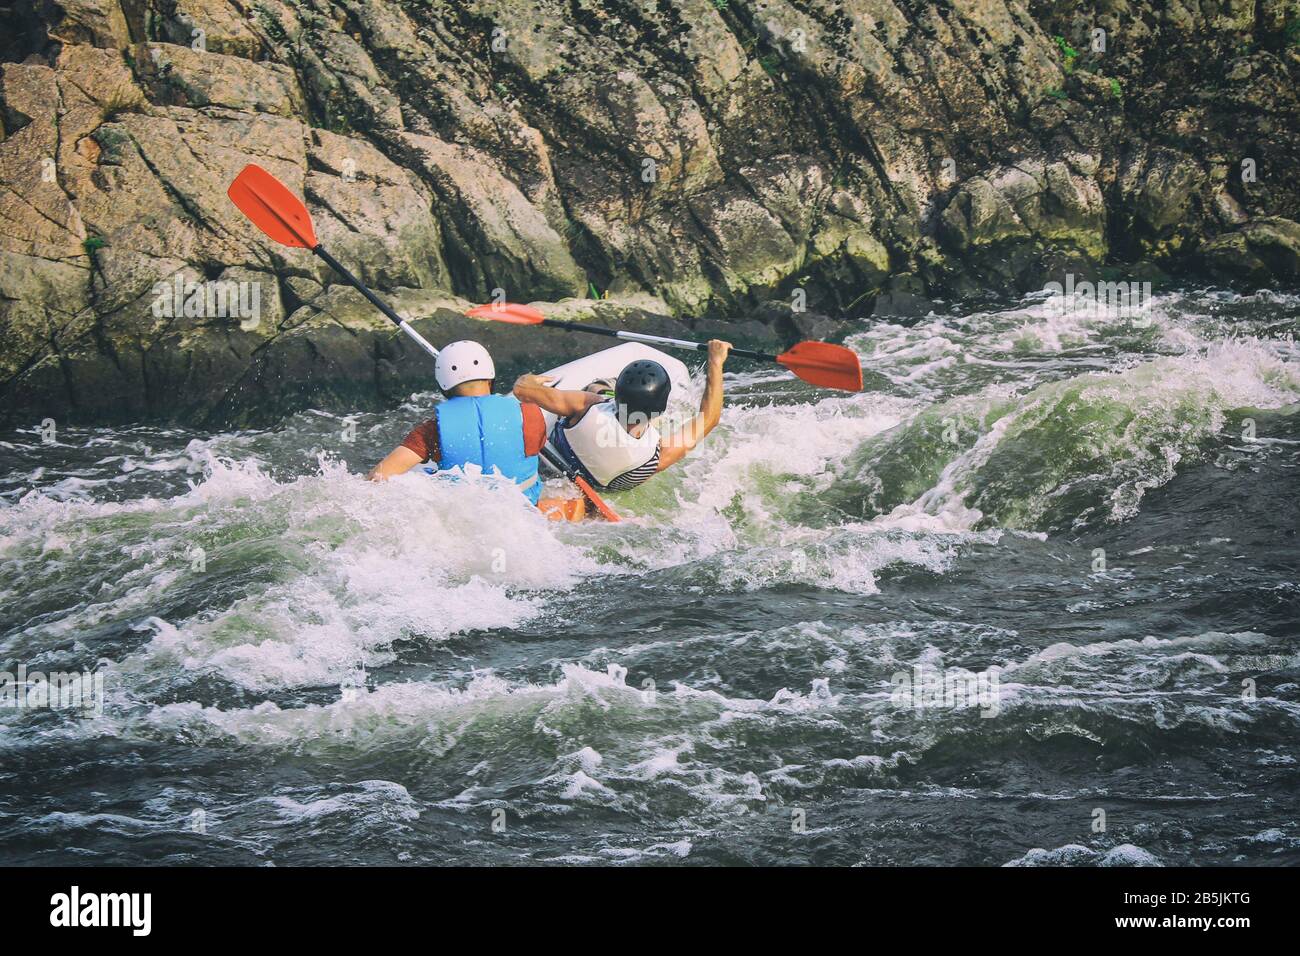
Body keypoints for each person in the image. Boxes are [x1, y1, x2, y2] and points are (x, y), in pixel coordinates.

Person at [513, 339, 731, 491]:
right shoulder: (656, 456)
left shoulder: (588, 405)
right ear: (660, 408)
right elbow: (709, 418)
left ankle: (604, 386)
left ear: (617, 395)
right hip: (605, 485)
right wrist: (715, 361)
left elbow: (522, 390)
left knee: (596, 388)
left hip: (557, 460)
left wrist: (529, 379)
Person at [367, 340, 546, 503]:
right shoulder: (528, 415)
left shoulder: (432, 430)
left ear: (443, 387)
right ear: (491, 377)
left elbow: (378, 477)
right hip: (524, 517)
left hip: (463, 519)